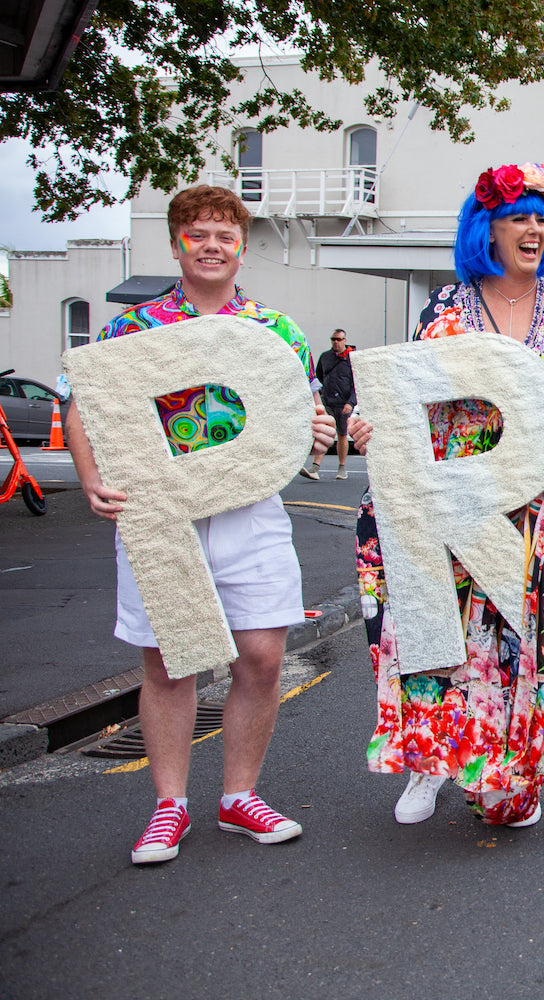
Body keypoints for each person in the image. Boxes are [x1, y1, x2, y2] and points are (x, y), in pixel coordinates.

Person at [65, 185, 337, 865]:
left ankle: (238, 796)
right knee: (168, 661)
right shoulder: (134, 327)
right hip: (163, 514)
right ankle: (169, 805)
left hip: (251, 512)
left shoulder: (276, 331)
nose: (213, 246)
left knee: (263, 656)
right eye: (199, 235)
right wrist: (92, 474)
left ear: (242, 248)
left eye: (225, 235)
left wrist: (319, 436)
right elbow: (80, 405)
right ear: (177, 243)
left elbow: (300, 418)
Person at [349, 162, 544, 827]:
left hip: (538, 503)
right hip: (452, 495)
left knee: (520, 641)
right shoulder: (444, 305)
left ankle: (506, 767)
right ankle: (429, 763)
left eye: (540, 218)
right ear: (485, 227)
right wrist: (370, 427)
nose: (532, 228)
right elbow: (407, 396)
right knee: (440, 631)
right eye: (517, 215)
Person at [301, 329, 357, 480]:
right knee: (324, 432)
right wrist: (318, 397)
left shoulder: (351, 358)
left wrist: (351, 402)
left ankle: (342, 467)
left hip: (344, 403)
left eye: (339, 339)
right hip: (327, 401)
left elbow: (357, 384)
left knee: (342, 434)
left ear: (345, 340)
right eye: (333, 339)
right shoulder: (325, 357)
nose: (336, 342)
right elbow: (317, 377)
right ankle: (315, 467)